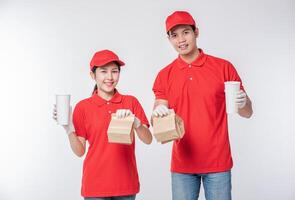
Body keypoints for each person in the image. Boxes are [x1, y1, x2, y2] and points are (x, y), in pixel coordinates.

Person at [152, 11, 253, 200]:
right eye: (174, 35)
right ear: (169, 39)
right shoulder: (164, 74)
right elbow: (157, 117)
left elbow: (247, 113)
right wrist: (158, 113)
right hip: (182, 166)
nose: (181, 40)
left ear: (196, 32)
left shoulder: (223, 67)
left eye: (185, 32)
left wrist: (243, 101)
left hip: (218, 163)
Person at [53, 49, 152, 200]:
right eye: (103, 72)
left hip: (125, 186)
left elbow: (148, 139)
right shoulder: (83, 107)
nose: (110, 77)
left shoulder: (130, 102)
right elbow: (80, 151)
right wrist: (69, 129)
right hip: (95, 186)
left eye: (114, 71)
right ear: (93, 75)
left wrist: (137, 123)